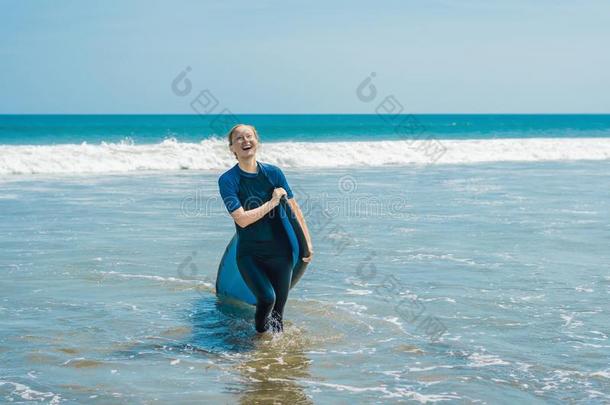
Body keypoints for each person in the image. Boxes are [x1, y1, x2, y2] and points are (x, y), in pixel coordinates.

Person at [218, 124, 313, 333]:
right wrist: (272, 202)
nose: (245, 141)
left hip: (281, 252)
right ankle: (259, 341)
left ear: (257, 142)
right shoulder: (228, 180)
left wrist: (307, 244)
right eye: (239, 139)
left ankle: (272, 358)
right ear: (232, 148)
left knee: (279, 309)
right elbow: (242, 219)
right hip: (250, 254)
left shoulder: (273, 173)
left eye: (249, 136)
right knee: (267, 298)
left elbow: (294, 208)